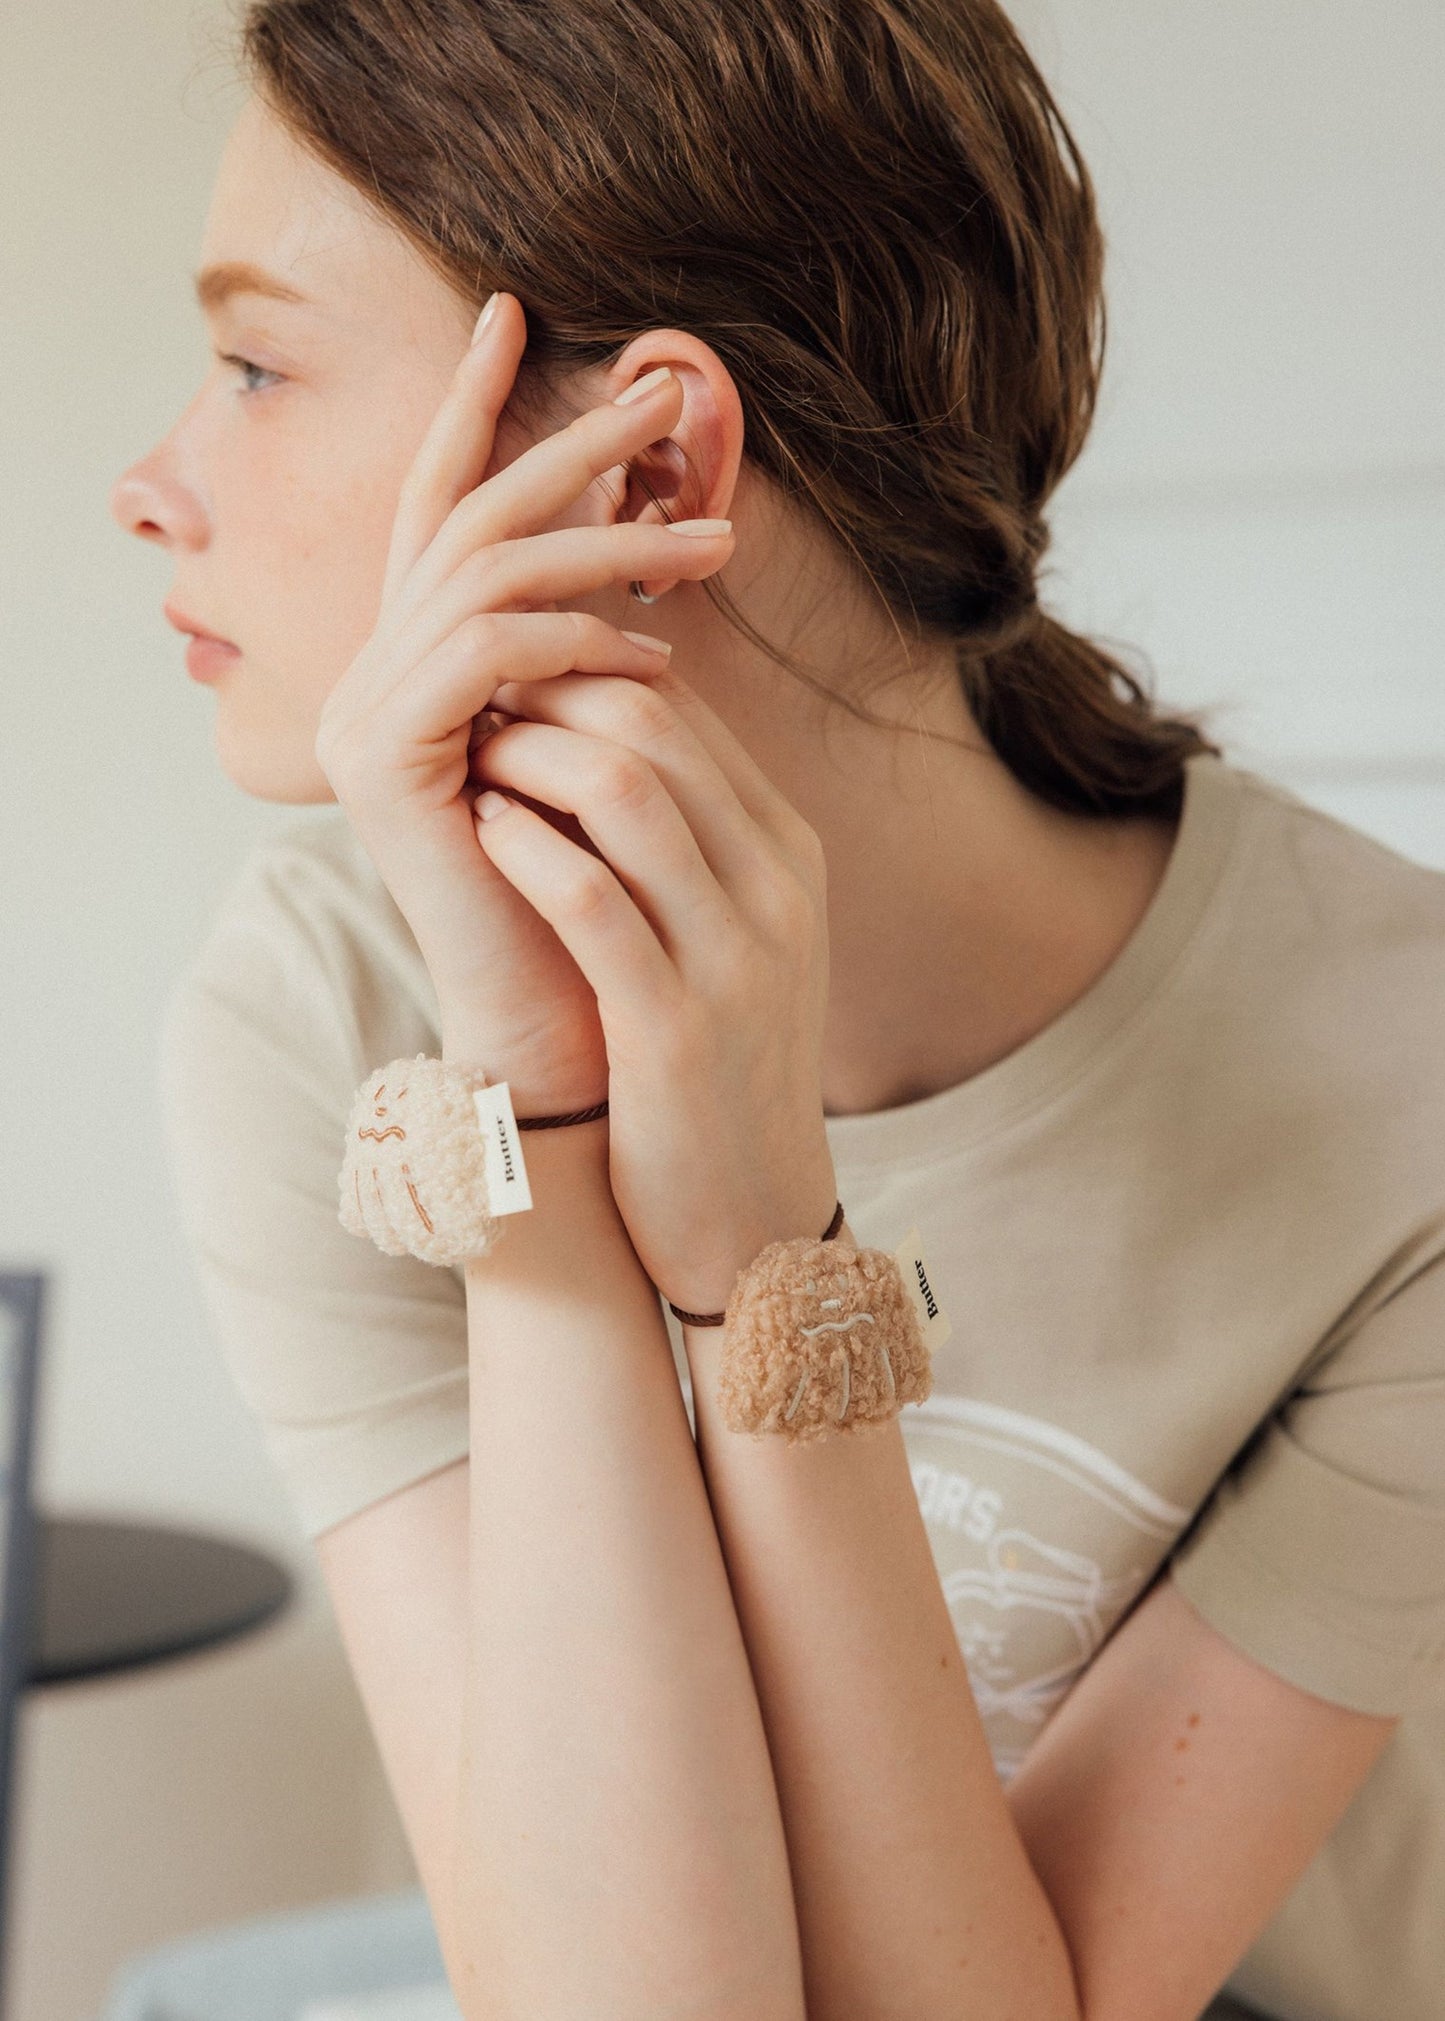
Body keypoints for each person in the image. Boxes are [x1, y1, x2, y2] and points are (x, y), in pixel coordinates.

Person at [110, 4, 1444, 2017]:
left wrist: (764, 1260)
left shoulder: (1399, 1094)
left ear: (645, 469)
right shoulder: (327, 1008)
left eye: (254, 363)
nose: (151, 484)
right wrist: (540, 1114)